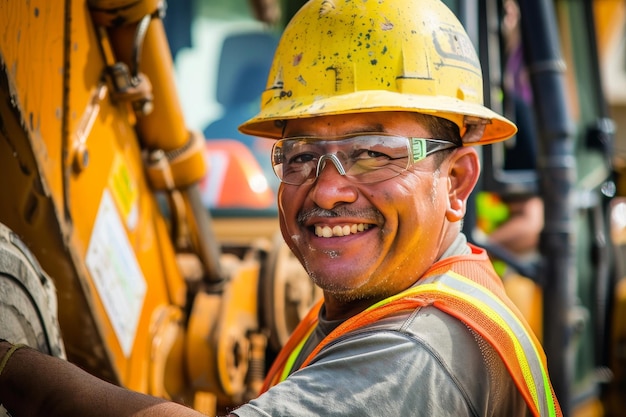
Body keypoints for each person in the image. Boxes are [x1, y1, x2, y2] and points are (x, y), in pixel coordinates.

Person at [0, 0, 562, 416]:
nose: (325, 191)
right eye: (300, 156)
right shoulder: (382, 304)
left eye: (372, 154)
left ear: (458, 180)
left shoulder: (421, 348)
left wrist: (11, 368)